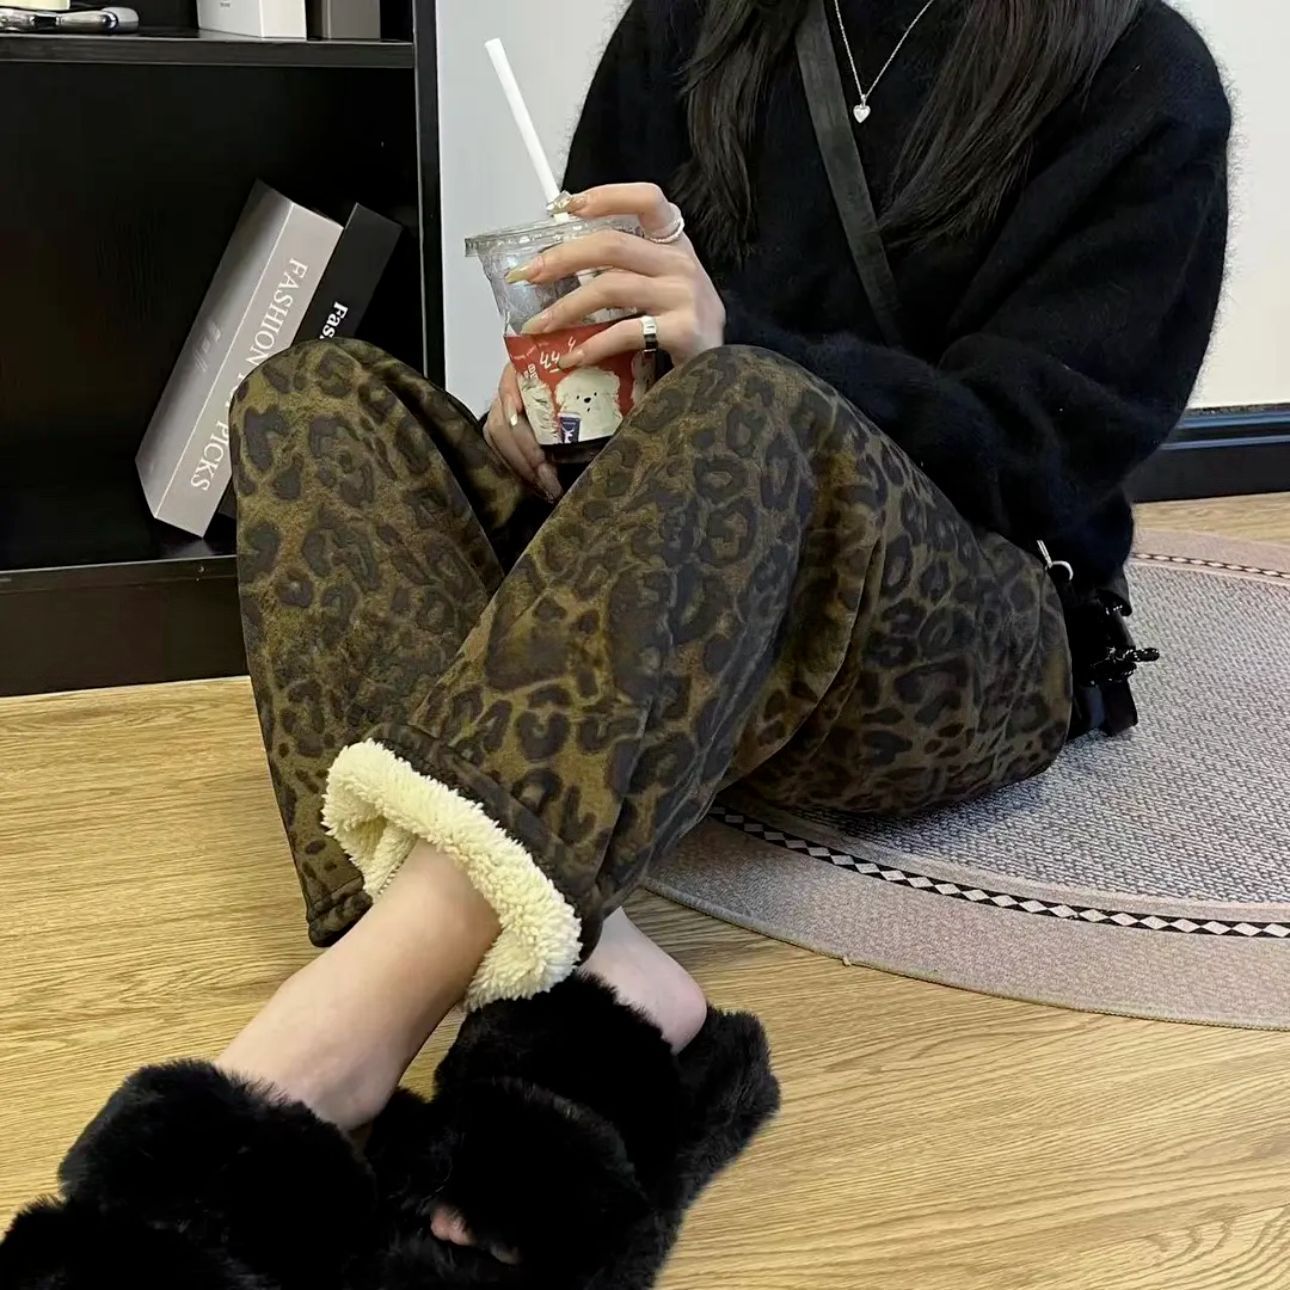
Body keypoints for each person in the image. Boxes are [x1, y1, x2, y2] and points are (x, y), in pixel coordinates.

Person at [13, 0, 1233, 1270]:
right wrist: (558, 408)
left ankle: (356, 1019)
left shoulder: (1140, 75)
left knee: (749, 398)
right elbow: (609, 335)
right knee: (310, 403)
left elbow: (1040, 453)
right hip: (682, 634)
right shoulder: (693, 24)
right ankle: (598, 990)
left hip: (955, 636)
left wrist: (736, 350)